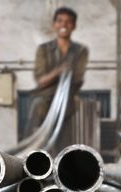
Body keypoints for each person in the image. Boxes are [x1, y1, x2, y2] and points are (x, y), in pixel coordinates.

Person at [27, 7, 89, 147]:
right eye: (60, 21)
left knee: (63, 146)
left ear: (74, 26)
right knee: (37, 143)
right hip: (43, 101)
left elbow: (77, 79)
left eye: (68, 22)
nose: (64, 25)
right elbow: (40, 81)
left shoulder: (80, 51)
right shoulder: (43, 49)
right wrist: (58, 71)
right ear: (54, 24)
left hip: (66, 104)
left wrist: (54, 80)